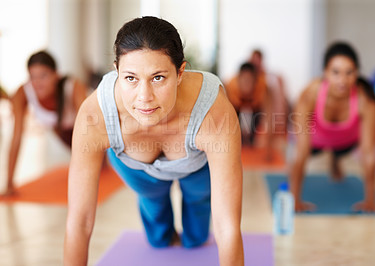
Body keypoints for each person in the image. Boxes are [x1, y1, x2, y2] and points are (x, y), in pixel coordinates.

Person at [64, 17, 244, 266]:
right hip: (138, 170)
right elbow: (80, 221)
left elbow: (228, 227)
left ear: (180, 72)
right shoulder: (95, 115)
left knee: (196, 236)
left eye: (158, 77)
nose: (144, 97)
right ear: (116, 71)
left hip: (197, 168)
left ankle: (194, 220)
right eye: (130, 78)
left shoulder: (213, 110)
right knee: (158, 237)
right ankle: (154, 203)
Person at [290, 42, 375, 213]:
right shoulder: (310, 93)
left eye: (349, 72)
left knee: (339, 152)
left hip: (346, 143)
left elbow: (369, 152)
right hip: (315, 142)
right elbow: (301, 150)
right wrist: (294, 200)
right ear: (325, 72)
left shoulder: (366, 100)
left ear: (357, 72)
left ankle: (335, 158)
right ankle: (333, 159)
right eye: (335, 72)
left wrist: (371, 200)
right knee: (297, 153)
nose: (342, 80)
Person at [1, 51, 88, 196]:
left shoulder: (72, 86)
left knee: (100, 163)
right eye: (33, 77)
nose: (38, 83)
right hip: (62, 132)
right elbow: (16, 138)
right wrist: (9, 183)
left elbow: (88, 129)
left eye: (43, 76)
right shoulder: (23, 92)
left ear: (56, 75)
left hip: (88, 131)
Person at [225, 62, 268, 145]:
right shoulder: (231, 87)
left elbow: (268, 114)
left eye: (249, 81)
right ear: (239, 79)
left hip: (256, 109)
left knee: (258, 135)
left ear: (255, 81)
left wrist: (264, 134)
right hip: (235, 108)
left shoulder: (262, 88)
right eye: (244, 80)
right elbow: (226, 115)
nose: (246, 84)